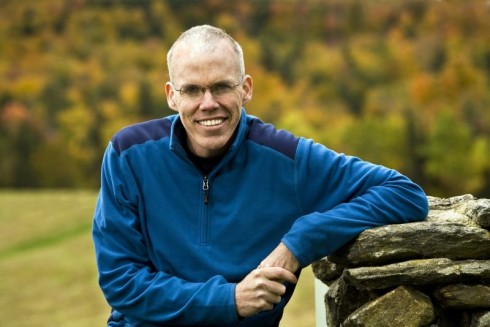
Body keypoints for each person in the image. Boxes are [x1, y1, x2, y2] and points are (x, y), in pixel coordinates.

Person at [92, 24, 429, 327]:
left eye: (222, 86)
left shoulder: (287, 158)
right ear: (171, 95)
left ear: (246, 88)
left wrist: (298, 242)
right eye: (192, 90)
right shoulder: (128, 154)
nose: (208, 103)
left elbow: (403, 193)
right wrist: (230, 300)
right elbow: (121, 282)